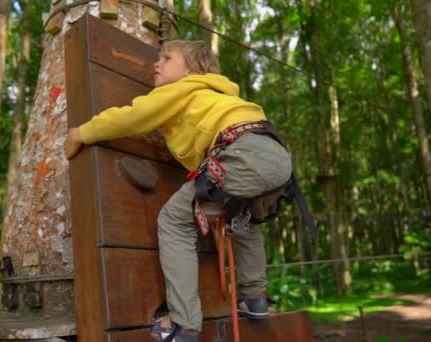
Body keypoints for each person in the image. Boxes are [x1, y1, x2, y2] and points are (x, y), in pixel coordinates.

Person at [64, 40, 292, 342]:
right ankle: (255, 298)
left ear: (192, 70)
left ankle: (184, 326)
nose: (156, 63)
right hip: (276, 157)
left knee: (174, 221)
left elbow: (132, 116)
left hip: (243, 154)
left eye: (167, 57)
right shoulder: (219, 97)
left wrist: (81, 133)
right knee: (244, 222)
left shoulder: (182, 89)